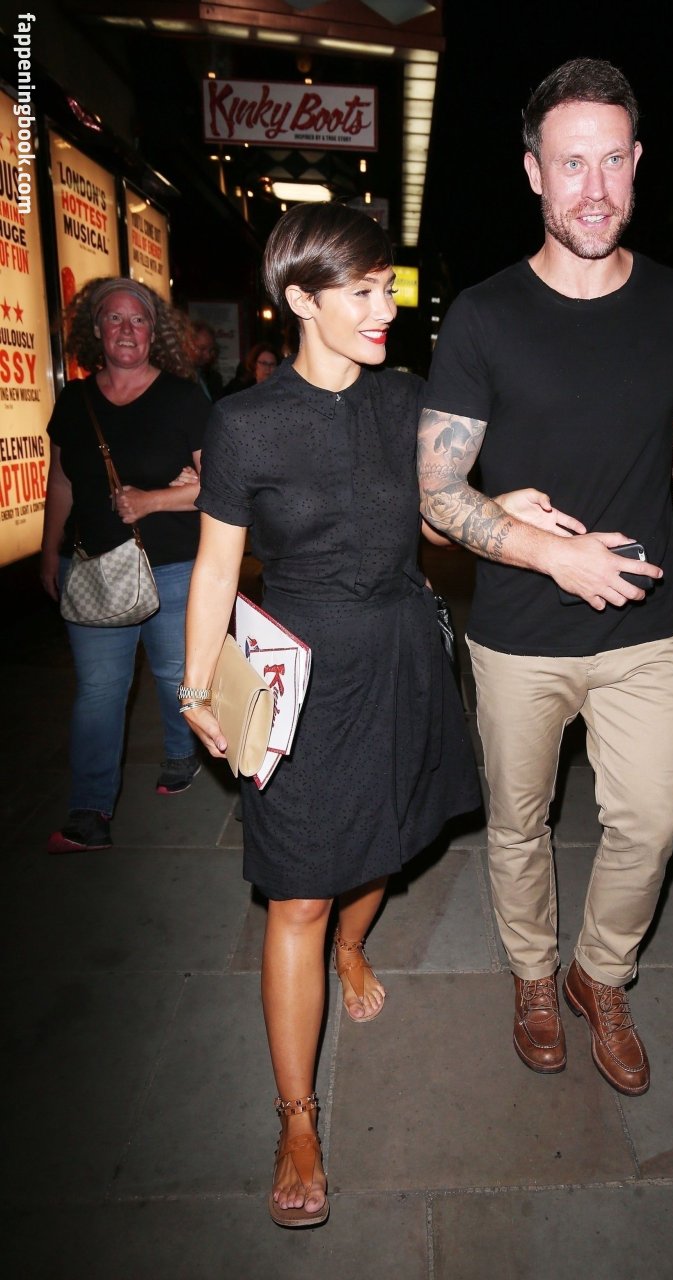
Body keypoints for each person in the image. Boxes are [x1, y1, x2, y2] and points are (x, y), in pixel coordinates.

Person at [179, 204, 487, 1229]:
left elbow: (444, 514)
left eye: (385, 285)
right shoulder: (245, 422)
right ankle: (298, 1119)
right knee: (297, 894)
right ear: (301, 299)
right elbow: (216, 567)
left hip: (401, 657)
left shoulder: (408, 398)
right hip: (295, 676)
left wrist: (506, 512)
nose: (383, 306)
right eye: (360, 291)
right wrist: (194, 683)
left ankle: (356, 947)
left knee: (382, 848)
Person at [418, 58, 673, 1095]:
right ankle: (533, 977)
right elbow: (436, 492)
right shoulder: (484, 315)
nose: (593, 188)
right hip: (517, 634)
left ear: (636, 163)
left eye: (611, 162)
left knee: (652, 822)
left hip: (644, 628)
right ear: (533, 173)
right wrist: (550, 549)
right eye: (569, 164)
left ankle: (601, 972)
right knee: (519, 824)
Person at [40, 277, 211, 853]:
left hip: (172, 564)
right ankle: (89, 810)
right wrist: (50, 550)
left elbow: (219, 484)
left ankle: (180, 750)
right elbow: (61, 482)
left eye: (138, 319)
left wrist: (152, 500)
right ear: (96, 330)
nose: (126, 329)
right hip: (91, 566)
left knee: (172, 672)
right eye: (114, 318)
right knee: (99, 689)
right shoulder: (75, 401)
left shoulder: (183, 398)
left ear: (153, 331)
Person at [190, 320, 224, 401]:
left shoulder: (213, 378)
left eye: (211, 350)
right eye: (202, 349)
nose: (208, 356)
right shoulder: (178, 378)